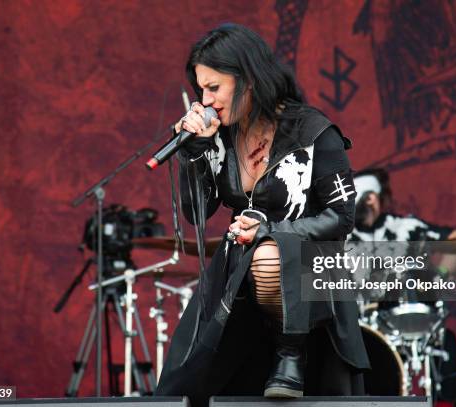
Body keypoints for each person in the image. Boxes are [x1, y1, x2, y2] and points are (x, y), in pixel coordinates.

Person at [154, 24, 369, 405]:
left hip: (307, 268)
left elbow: (341, 217)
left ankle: (292, 353)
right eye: (201, 89)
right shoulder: (221, 135)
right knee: (186, 389)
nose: (206, 100)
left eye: (214, 88)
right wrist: (195, 152)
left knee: (270, 252)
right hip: (237, 273)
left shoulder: (313, 131)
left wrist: (271, 230)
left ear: (248, 80)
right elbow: (198, 213)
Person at [349, 168, 456, 401]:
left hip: (405, 316)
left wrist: (439, 275)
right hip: (364, 326)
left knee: (445, 341)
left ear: (373, 198)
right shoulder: (344, 237)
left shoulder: (405, 227)